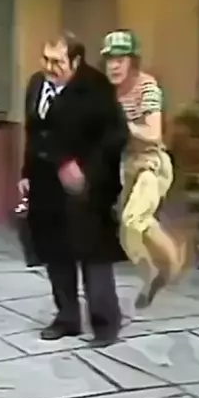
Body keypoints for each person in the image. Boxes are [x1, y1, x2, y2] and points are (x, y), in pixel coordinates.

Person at [18, 32, 129, 346]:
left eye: (58, 62)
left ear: (76, 61)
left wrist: (84, 170)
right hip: (46, 183)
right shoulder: (36, 84)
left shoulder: (96, 88)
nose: (49, 67)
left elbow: (115, 137)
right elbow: (34, 132)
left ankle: (105, 324)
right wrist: (26, 172)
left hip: (87, 186)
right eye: (46, 59)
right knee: (55, 252)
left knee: (92, 254)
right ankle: (67, 318)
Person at [100, 29, 187, 309]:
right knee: (128, 235)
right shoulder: (107, 93)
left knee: (134, 219)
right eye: (109, 60)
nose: (114, 66)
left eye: (120, 59)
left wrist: (124, 125)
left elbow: (153, 133)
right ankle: (156, 273)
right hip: (128, 167)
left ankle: (168, 267)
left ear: (132, 62)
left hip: (152, 164)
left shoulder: (147, 87)